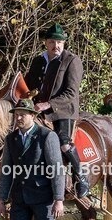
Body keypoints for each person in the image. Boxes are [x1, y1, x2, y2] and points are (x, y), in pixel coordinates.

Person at [25, 22, 89, 198]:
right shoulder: (38, 61)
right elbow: (28, 85)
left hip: (63, 110)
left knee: (64, 143)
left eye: (60, 42)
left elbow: (71, 92)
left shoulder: (72, 61)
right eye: (52, 42)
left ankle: (81, 176)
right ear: (46, 43)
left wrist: (49, 104)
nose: (56, 46)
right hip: (38, 110)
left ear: (64, 43)